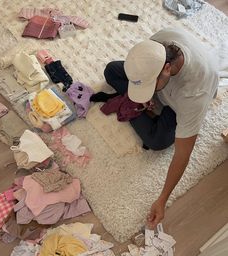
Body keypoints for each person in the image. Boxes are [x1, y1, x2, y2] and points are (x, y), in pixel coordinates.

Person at [90, 27, 218, 229]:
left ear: (166, 70)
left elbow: (183, 154)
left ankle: (131, 103)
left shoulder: (194, 96)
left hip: (176, 107)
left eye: (149, 86)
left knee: (157, 141)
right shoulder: (160, 41)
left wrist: (162, 199)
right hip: (164, 87)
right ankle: (137, 102)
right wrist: (146, 92)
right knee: (111, 70)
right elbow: (141, 73)